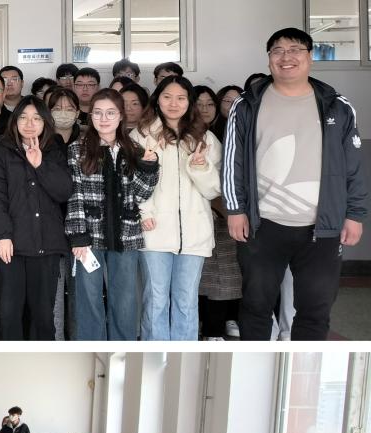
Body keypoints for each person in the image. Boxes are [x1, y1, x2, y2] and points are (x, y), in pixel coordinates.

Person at [224, 27, 366, 341]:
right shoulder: (247, 104)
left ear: (310, 57)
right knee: (256, 306)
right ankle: (254, 365)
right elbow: (232, 160)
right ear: (269, 58)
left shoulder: (337, 105)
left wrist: (355, 214)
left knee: (315, 310)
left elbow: (353, 165)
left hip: (322, 227)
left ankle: (303, 366)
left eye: (295, 49)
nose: (286, 57)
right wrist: (235, 209)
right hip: (262, 224)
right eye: (277, 50)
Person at [131, 75, 221, 341]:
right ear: (157, 99)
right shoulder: (141, 135)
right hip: (154, 229)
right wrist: (145, 212)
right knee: (156, 299)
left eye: (181, 98)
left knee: (186, 300)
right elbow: (131, 181)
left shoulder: (205, 138)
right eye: (167, 97)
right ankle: (154, 355)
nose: (174, 103)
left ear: (189, 102)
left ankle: (183, 354)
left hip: (194, 233)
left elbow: (213, 190)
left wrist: (200, 167)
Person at [66, 89, 160, 340]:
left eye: (110, 113)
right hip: (89, 236)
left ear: (120, 116)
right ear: (90, 116)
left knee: (125, 298)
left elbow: (141, 194)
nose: (103, 118)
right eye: (97, 113)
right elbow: (74, 193)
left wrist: (148, 167)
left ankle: (122, 348)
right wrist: (78, 236)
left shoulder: (134, 149)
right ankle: (92, 347)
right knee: (88, 297)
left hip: (126, 234)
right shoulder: (77, 149)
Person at [0, 95, 72, 340]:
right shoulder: (2, 150)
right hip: (9, 245)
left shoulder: (54, 150)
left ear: (45, 122)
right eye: (23, 117)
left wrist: (40, 165)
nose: (29, 124)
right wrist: (2, 235)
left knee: (43, 316)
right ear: (14, 121)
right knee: (9, 313)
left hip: (46, 244)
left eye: (36, 118)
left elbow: (64, 191)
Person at [199, 85, 245, 341]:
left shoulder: (228, 131)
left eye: (209, 104)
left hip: (225, 211)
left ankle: (226, 321)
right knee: (204, 276)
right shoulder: (190, 134)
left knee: (227, 272)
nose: (204, 109)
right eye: (199, 104)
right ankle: (209, 326)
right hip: (201, 213)